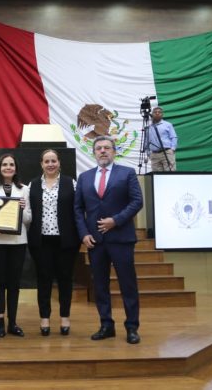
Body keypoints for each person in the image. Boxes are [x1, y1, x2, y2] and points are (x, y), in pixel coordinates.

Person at [74, 136, 143, 345]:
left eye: (106, 148)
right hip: (95, 241)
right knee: (100, 286)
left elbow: (137, 201)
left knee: (127, 285)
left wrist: (116, 220)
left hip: (121, 238)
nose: (102, 151)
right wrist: (84, 234)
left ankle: (132, 327)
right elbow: (78, 209)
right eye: (98, 148)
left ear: (114, 152)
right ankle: (106, 325)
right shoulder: (85, 177)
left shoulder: (127, 173)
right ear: (93, 153)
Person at [27, 149, 81, 336]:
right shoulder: (32, 185)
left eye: (53, 161)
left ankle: (65, 317)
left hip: (66, 241)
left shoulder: (70, 183)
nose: (50, 164)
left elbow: (77, 211)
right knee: (44, 280)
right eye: (46, 161)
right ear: (41, 164)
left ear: (59, 163)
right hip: (41, 242)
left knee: (65, 280)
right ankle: (45, 318)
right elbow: (27, 213)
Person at [0, 154, 32, 337]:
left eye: (11, 164)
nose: (8, 167)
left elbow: (28, 219)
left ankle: (13, 322)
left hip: (17, 242)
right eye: (5, 164)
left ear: (16, 168)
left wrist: (22, 209)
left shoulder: (25, 189)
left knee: (14, 283)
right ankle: (0, 321)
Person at [144, 107, 178, 172]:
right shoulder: (148, 128)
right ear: (152, 114)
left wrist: (172, 149)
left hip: (167, 152)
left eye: (159, 112)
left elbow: (174, 137)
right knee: (157, 176)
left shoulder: (167, 125)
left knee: (170, 174)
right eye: (155, 112)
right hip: (154, 155)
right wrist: (148, 154)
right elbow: (146, 141)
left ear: (162, 114)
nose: (157, 113)